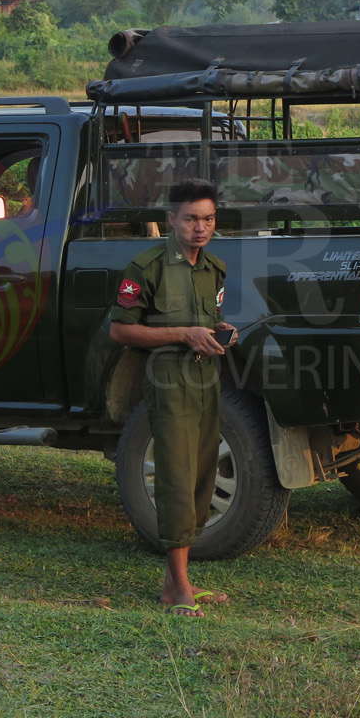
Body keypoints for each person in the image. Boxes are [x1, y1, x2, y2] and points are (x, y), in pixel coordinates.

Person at [109, 178, 237, 617]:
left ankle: (174, 583)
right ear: (171, 220)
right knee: (177, 477)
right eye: (191, 219)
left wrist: (222, 331)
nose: (200, 227)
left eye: (208, 218)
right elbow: (121, 329)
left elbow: (212, 316)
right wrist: (183, 333)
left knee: (203, 473)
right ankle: (179, 586)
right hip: (168, 379)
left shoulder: (214, 268)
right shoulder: (146, 267)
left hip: (205, 379)